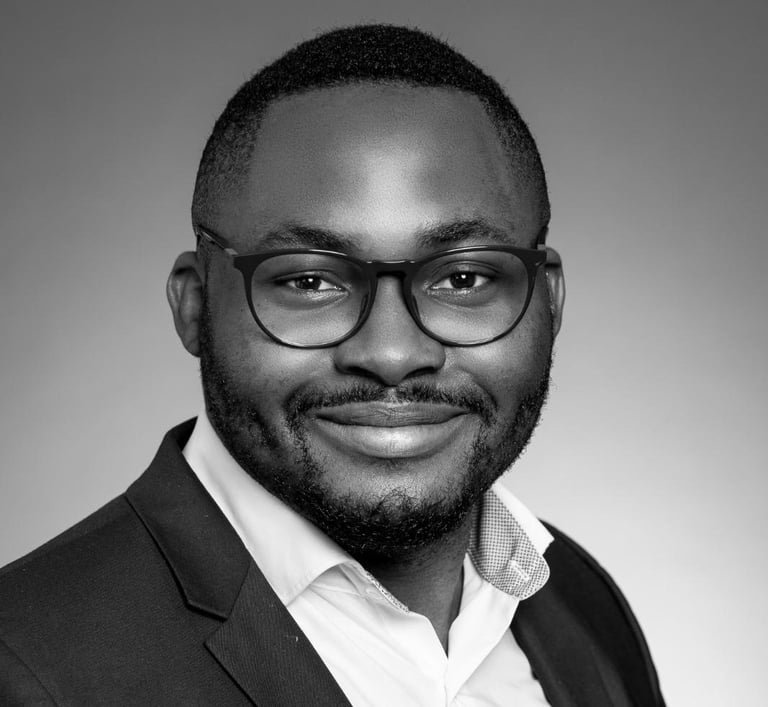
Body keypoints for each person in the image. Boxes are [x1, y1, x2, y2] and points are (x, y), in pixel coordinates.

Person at [0, 24, 665, 706]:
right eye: (310, 281)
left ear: (547, 302)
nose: (391, 354)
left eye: (463, 279)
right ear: (196, 305)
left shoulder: (582, 606)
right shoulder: (26, 668)